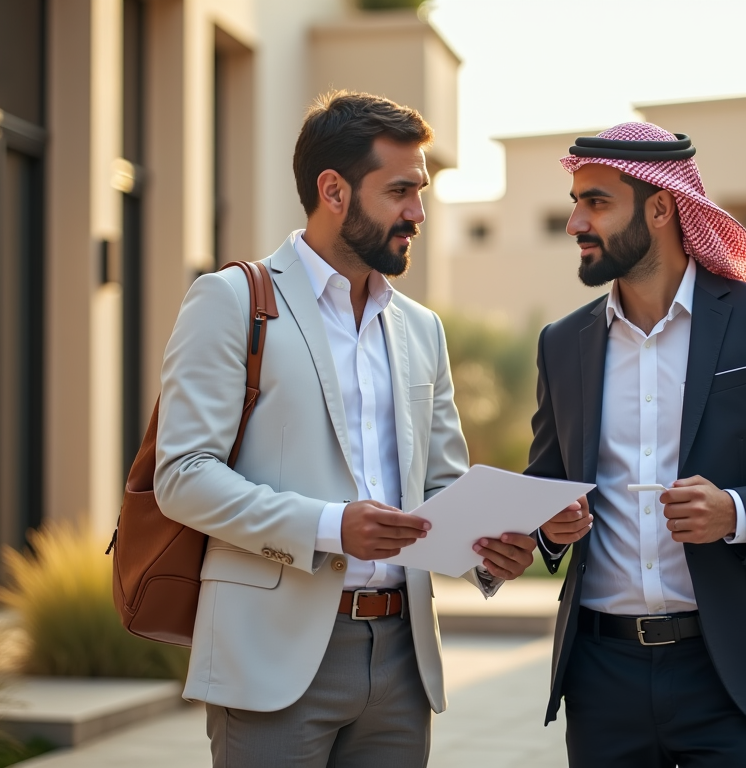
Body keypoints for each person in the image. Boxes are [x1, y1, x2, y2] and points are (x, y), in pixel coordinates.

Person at [154, 90, 536, 768]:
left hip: (401, 661)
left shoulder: (422, 329)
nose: (418, 213)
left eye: (420, 192)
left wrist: (488, 551)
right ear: (333, 190)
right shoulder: (233, 301)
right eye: (400, 192)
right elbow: (182, 477)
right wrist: (332, 527)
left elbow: (444, 483)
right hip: (273, 657)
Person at [528, 122, 746, 768]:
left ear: (660, 207)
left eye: (596, 202)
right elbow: (544, 491)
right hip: (602, 678)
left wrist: (736, 514)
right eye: (576, 201)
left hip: (734, 676)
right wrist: (547, 528)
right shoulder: (561, 344)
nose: (576, 221)